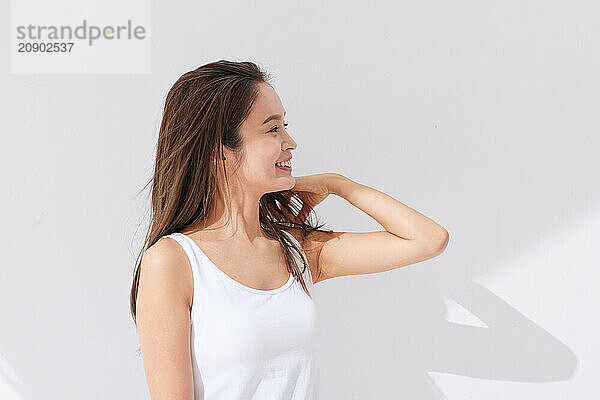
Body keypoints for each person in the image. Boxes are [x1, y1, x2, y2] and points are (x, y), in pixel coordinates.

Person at [130, 60, 449, 400]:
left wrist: (336, 183)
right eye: (273, 130)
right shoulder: (172, 262)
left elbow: (428, 239)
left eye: (285, 126)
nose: (291, 142)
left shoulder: (296, 249)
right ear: (219, 151)